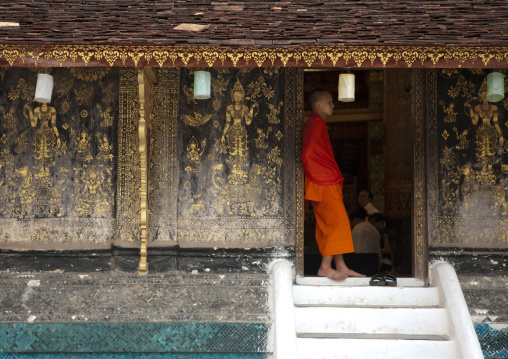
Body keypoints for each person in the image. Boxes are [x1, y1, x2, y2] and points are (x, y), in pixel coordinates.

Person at [302, 89, 365, 280]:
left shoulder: (317, 124)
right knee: (337, 223)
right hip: (322, 182)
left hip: (323, 181)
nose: (333, 105)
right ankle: (324, 267)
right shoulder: (315, 125)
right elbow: (308, 154)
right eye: (329, 102)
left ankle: (340, 265)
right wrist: (322, 175)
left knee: (332, 224)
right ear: (318, 105)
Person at [344, 207, 380, 276]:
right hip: (375, 261)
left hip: (363, 263)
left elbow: (358, 249)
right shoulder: (373, 228)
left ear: (354, 219)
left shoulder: (358, 229)